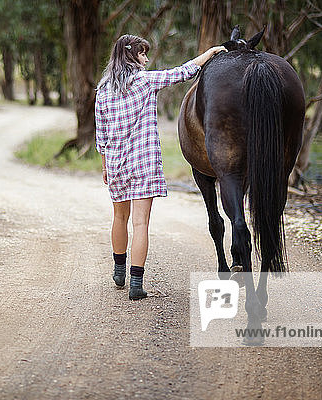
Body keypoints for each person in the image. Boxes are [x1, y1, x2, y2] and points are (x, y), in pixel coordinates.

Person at [95, 34, 226, 300]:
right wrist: (209, 53)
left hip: (117, 164)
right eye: (142, 54)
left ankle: (119, 270)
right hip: (143, 163)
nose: (145, 60)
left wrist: (105, 166)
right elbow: (183, 72)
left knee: (120, 218)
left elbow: (102, 134)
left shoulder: (103, 90)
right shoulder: (145, 81)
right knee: (141, 223)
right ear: (132, 56)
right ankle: (135, 285)